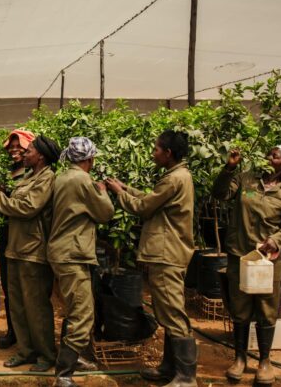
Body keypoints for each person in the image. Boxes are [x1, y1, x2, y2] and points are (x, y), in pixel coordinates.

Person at [105, 130, 196, 387]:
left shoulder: (173, 179)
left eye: (156, 149)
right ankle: (169, 368)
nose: (153, 153)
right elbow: (152, 198)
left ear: (168, 153)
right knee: (167, 311)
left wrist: (118, 193)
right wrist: (125, 187)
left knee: (173, 313)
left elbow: (144, 207)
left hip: (167, 254)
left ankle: (187, 378)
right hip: (167, 252)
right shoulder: (177, 176)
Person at [0, 135, 60, 372]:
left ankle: (46, 355)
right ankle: (25, 351)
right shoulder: (29, 177)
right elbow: (10, 199)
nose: (24, 154)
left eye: (29, 151)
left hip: (33, 251)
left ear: (41, 157)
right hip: (15, 248)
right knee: (17, 304)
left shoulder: (46, 179)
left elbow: (26, 208)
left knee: (36, 306)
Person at [212, 145, 281, 385]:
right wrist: (230, 167)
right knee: (239, 308)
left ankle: (264, 362)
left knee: (266, 309)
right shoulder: (246, 180)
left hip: (268, 261)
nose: (272, 155)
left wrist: (274, 241)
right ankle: (239, 359)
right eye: (271, 152)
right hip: (239, 255)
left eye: (278, 154)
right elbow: (220, 193)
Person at [49, 137, 114, 386]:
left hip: (62, 251)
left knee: (74, 308)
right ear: (89, 159)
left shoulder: (62, 176)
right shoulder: (83, 180)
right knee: (83, 313)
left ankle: (73, 360)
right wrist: (103, 192)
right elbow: (105, 213)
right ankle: (63, 374)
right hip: (72, 253)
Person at [0, 128, 35, 349]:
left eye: (18, 145)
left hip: (26, 239)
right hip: (6, 237)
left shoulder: (33, 174)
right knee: (9, 286)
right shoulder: (6, 173)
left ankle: (28, 336)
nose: (13, 149)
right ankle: (13, 330)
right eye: (10, 146)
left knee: (28, 289)